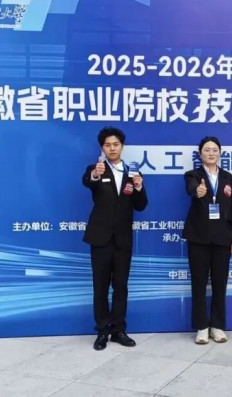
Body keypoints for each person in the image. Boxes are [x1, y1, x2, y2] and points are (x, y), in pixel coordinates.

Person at [82, 127, 148, 351]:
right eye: (107, 145)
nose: (112, 148)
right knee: (100, 287)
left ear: (122, 146)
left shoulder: (133, 173)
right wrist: (95, 174)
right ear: (102, 148)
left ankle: (118, 330)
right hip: (100, 238)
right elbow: (87, 181)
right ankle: (102, 331)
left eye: (116, 144)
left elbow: (141, 205)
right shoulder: (97, 169)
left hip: (123, 240)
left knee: (121, 287)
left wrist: (139, 187)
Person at [182, 136, 232, 344]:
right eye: (207, 150)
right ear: (200, 154)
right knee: (198, 284)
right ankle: (201, 327)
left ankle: (217, 326)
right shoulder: (193, 175)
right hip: (198, 238)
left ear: (220, 153)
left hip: (223, 238)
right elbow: (191, 188)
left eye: (215, 150)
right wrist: (197, 191)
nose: (211, 153)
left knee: (220, 283)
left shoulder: (228, 177)